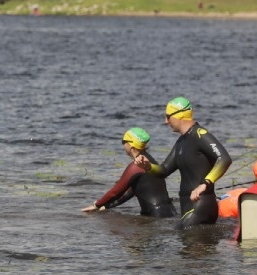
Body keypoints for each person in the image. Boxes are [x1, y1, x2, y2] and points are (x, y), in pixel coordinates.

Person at [135, 97, 232, 230]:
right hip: (188, 207)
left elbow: (224, 158)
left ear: (179, 115)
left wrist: (205, 184)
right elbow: (164, 170)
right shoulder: (182, 141)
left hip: (202, 204)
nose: (166, 121)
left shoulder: (200, 134)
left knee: (187, 243)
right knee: (187, 246)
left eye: (168, 117)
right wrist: (148, 166)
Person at [82, 127, 176, 218]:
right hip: (170, 212)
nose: (123, 145)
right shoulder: (151, 162)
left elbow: (116, 191)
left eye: (124, 142)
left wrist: (96, 205)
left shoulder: (136, 166)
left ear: (131, 146)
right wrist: (106, 206)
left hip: (155, 215)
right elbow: (130, 192)